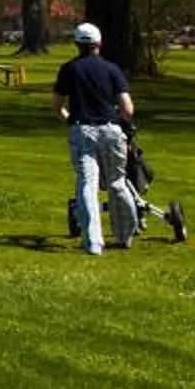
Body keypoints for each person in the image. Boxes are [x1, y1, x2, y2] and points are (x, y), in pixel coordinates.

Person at [52, 22, 140, 255]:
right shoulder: (112, 69)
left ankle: (93, 242)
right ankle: (125, 235)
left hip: (83, 130)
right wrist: (123, 125)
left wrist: (69, 120)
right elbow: (127, 108)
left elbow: (57, 105)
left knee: (87, 184)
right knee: (117, 183)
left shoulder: (69, 69)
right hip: (111, 130)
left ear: (76, 44)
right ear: (99, 43)